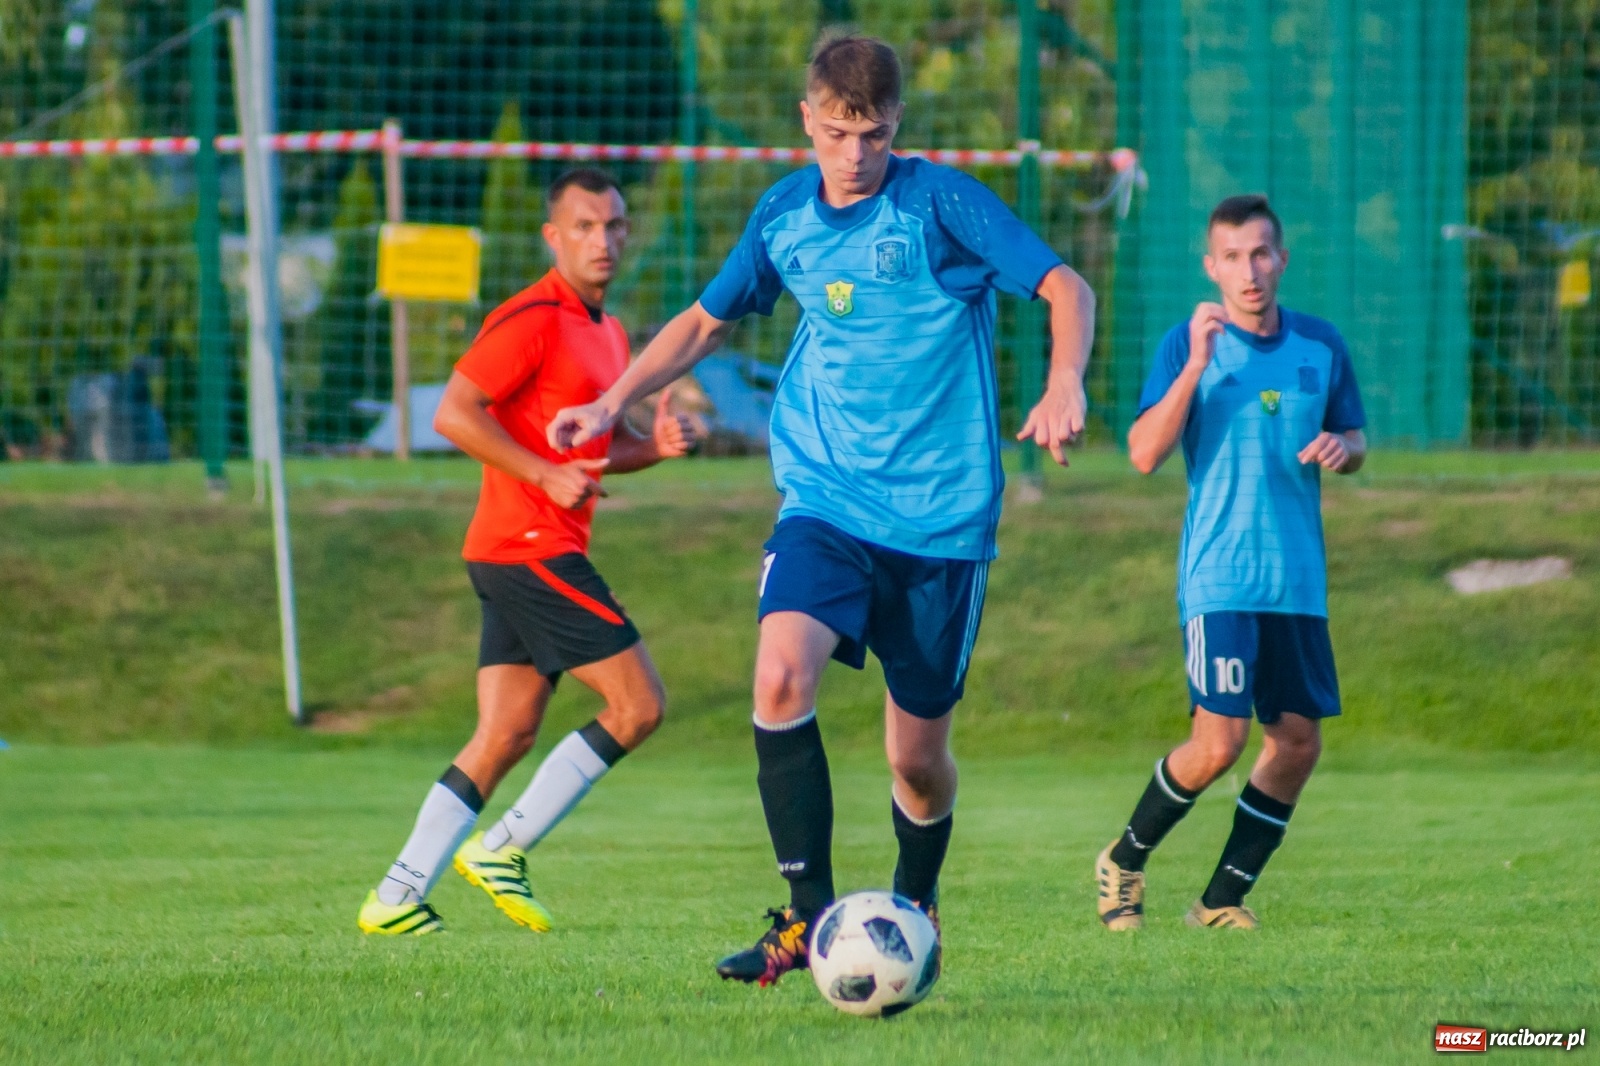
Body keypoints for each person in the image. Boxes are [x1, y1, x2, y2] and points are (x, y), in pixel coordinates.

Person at [547, 33, 1095, 983]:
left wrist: (1064, 382)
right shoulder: (784, 215)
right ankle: (805, 920)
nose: (855, 155)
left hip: (941, 524)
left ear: (898, 126)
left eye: (874, 135)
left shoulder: (942, 204)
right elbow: (705, 321)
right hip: (826, 500)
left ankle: (915, 905)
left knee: (916, 762)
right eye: (838, 132)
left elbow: (1065, 285)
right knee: (779, 682)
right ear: (808, 120)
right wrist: (608, 400)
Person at [357, 167, 697, 936]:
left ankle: (395, 896)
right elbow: (453, 413)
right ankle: (503, 848)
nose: (602, 240)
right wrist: (543, 473)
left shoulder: (609, 332)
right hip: (527, 547)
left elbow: (596, 457)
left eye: (613, 225)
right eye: (584, 226)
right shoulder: (532, 316)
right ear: (554, 236)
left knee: (505, 733)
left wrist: (656, 448)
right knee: (639, 705)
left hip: (515, 551)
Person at [1096, 194, 1367, 931]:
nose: (1249, 272)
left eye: (1261, 254)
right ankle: (1123, 859)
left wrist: (1346, 450)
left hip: (1297, 583)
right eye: (1233, 258)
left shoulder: (1321, 345)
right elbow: (1145, 453)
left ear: (1282, 259)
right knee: (1219, 743)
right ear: (1210, 266)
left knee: (1299, 744)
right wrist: (1199, 364)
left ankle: (1219, 900)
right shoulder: (1185, 345)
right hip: (1220, 576)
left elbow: (1354, 435)